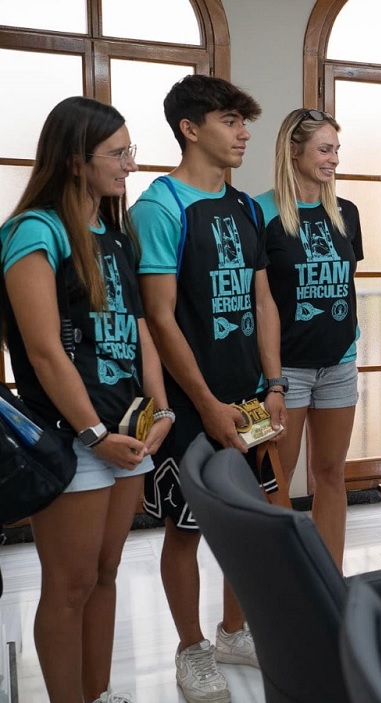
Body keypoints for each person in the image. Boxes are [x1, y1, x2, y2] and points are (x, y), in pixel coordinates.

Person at [0, 97, 171, 703]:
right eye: (118, 153)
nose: (129, 164)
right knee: (68, 586)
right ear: (76, 161)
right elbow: (44, 353)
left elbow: (141, 329)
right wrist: (94, 433)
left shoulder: (114, 233)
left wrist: (162, 411)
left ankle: (97, 695)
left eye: (130, 150)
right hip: (71, 438)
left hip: (128, 431)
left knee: (105, 575)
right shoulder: (34, 231)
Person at [131, 75, 286, 703]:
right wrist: (205, 405)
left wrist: (273, 384)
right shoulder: (159, 206)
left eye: (245, 121)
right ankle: (191, 648)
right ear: (191, 129)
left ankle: (233, 630)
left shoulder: (247, 205)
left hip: (249, 398)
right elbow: (160, 317)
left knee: (251, 520)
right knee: (186, 529)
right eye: (230, 120)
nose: (244, 132)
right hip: (192, 405)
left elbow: (262, 297)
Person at [254, 108, 362, 567]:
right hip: (285, 371)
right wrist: (272, 378)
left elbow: (347, 280)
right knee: (277, 481)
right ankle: (285, 584)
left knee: (331, 475)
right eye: (324, 149)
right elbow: (258, 300)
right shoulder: (260, 212)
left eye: (336, 149)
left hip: (339, 363)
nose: (333, 159)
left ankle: (329, 582)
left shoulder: (347, 213)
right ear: (293, 150)